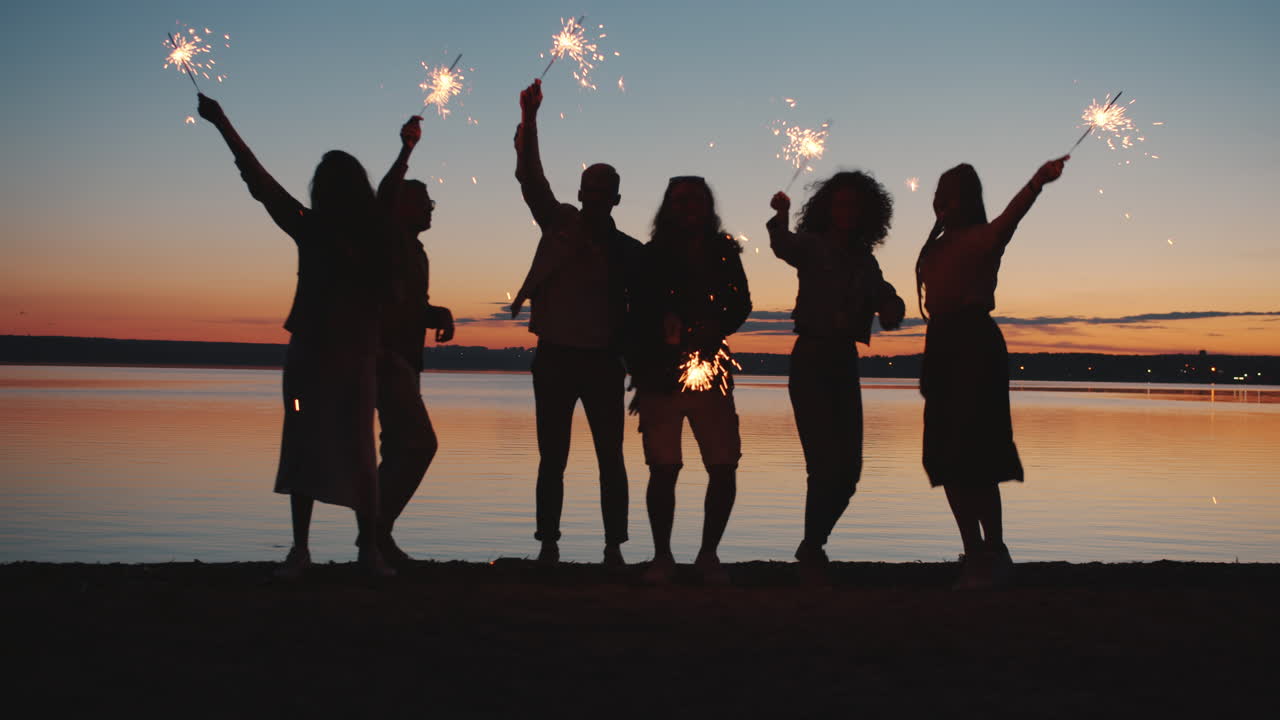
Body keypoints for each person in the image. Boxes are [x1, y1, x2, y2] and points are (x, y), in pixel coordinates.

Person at [197, 92, 422, 579]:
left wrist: (222, 122)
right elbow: (264, 182)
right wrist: (405, 148)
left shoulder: (319, 228)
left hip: (324, 355)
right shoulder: (357, 230)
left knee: (310, 446)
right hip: (344, 355)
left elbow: (259, 180)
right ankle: (362, 553)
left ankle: (307, 551)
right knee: (354, 448)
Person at [915, 156, 1068, 589]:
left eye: (952, 195)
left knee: (977, 453)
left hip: (974, 347)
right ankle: (974, 551)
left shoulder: (984, 238)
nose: (943, 202)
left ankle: (995, 549)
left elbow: (1010, 219)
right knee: (946, 455)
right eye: (940, 194)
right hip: (942, 345)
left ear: (968, 200)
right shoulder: (935, 247)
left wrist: (1037, 181)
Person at [512, 79, 644, 567]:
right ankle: (548, 545)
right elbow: (531, 179)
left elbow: (646, 308)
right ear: (581, 193)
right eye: (590, 189)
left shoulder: (629, 252)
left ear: (616, 199)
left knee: (611, 457)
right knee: (553, 457)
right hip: (555, 358)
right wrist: (530, 121)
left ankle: (614, 548)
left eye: (604, 191)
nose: (595, 197)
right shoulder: (559, 224)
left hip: (604, 363)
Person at [767, 171, 905, 583]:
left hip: (844, 361)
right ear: (828, 209)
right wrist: (782, 214)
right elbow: (782, 245)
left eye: (854, 205)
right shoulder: (811, 245)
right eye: (841, 204)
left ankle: (812, 544)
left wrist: (893, 306)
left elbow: (884, 295)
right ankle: (812, 548)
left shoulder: (865, 259)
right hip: (811, 358)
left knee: (850, 472)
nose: (847, 211)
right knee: (824, 464)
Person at [629, 176, 752, 585]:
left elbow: (741, 302)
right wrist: (654, 340)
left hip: (712, 372)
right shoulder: (650, 256)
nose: (689, 207)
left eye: (696, 199)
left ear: (708, 206)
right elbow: (635, 311)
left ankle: (708, 555)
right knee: (663, 468)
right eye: (680, 200)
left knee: (723, 464)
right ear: (668, 206)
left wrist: (715, 326)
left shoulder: (724, 252)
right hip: (659, 375)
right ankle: (662, 557)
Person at [368, 178, 454, 567]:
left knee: (398, 449)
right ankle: (375, 532)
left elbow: (409, 305)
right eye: (422, 202)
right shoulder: (388, 244)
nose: (429, 209)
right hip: (387, 360)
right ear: (398, 206)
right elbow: (387, 302)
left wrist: (436, 314)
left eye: (430, 203)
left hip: (405, 360)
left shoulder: (416, 252)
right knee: (419, 445)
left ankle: (376, 536)